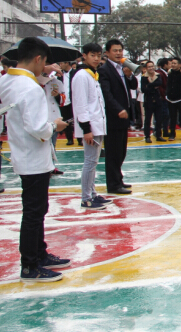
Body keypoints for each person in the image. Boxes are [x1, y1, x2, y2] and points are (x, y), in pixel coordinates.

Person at [0, 37, 69, 282]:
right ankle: (30, 265)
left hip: (24, 153)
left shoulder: (8, 80)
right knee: (34, 212)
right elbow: (38, 128)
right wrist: (55, 125)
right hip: (33, 158)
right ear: (38, 58)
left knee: (37, 210)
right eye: (44, 62)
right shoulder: (29, 87)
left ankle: (40, 253)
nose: (45, 67)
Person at [71, 43, 110, 210]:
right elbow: (81, 104)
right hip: (90, 126)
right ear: (84, 55)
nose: (96, 59)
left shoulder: (92, 74)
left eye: (98, 55)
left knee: (93, 162)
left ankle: (92, 193)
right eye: (92, 55)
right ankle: (86, 198)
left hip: (97, 124)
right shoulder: (81, 76)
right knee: (90, 162)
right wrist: (86, 129)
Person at [98, 39, 133, 195]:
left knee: (121, 151)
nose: (118, 53)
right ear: (107, 53)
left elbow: (132, 86)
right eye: (115, 50)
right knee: (113, 152)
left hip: (124, 116)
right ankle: (113, 184)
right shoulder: (104, 70)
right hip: (113, 117)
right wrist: (118, 109)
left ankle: (118, 179)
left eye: (120, 50)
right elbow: (106, 94)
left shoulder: (122, 68)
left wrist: (129, 76)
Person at [141, 61, 168, 143]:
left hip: (158, 100)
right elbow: (143, 89)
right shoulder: (144, 77)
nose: (151, 68)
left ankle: (158, 135)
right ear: (146, 68)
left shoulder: (158, 75)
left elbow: (159, 83)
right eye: (149, 67)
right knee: (147, 120)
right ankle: (147, 136)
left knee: (159, 119)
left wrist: (149, 85)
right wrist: (153, 86)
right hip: (148, 101)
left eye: (152, 66)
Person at [165, 57, 181, 141]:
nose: (173, 65)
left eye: (175, 63)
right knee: (172, 118)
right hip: (171, 99)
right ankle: (172, 134)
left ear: (180, 65)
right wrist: (167, 94)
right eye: (172, 63)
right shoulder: (170, 73)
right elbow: (168, 85)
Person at [58, 61, 75, 145]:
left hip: (74, 100)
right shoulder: (59, 75)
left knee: (76, 120)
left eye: (62, 63)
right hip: (64, 101)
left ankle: (80, 139)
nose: (60, 65)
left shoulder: (75, 73)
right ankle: (69, 139)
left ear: (67, 63)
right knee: (66, 121)